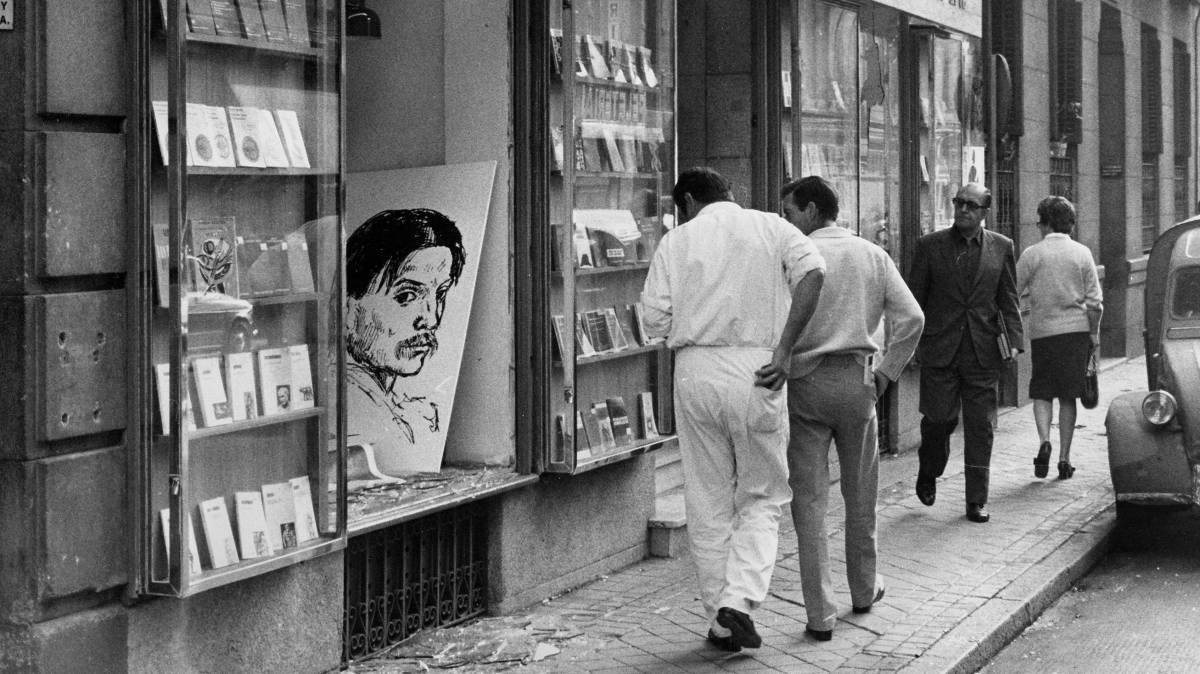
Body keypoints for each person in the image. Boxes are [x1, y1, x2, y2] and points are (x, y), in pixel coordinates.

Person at [641, 167, 825, 652]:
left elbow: (654, 319)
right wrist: (785, 350)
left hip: (695, 368)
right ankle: (739, 601)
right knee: (762, 494)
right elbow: (814, 271)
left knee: (706, 497)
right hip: (757, 367)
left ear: (685, 202)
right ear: (730, 194)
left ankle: (719, 616)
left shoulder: (675, 242)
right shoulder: (771, 226)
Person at [773, 176, 924, 641]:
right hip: (859, 382)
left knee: (810, 502)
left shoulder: (792, 255)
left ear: (813, 210)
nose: (785, 220)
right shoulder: (871, 255)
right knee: (861, 495)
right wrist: (886, 373)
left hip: (802, 384)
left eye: (790, 211)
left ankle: (820, 614)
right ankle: (863, 589)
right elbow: (913, 318)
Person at [907, 182, 1023, 523]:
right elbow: (914, 300)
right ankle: (929, 469)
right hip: (940, 349)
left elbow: (1008, 299)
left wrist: (1013, 339)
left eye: (971, 205)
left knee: (980, 427)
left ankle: (976, 499)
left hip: (982, 351)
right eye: (959, 203)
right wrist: (911, 343)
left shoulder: (1001, 247)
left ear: (985, 211)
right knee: (938, 420)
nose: (963, 210)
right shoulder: (930, 246)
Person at [345, 208, 467, 474]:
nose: (431, 318)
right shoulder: (353, 404)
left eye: (440, 294)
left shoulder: (395, 405)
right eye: (406, 296)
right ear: (347, 306)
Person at [1016, 196, 1102, 480]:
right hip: (1076, 333)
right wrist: (1093, 332)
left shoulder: (1032, 254)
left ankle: (1044, 442)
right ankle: (1064, 459)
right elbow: (1095, 302)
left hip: (1043, 333)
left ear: (1047, 222)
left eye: (1040, 221)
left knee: (1042, 391)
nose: (1038, 226)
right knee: (1068, 396)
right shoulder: (1082, 253)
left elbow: (1012, 291)